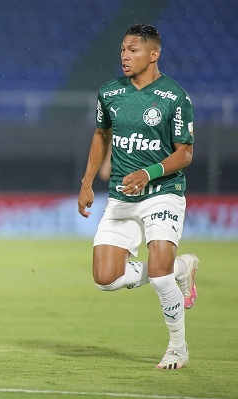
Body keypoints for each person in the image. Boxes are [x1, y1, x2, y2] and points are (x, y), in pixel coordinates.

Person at [77, 24, 199, 369]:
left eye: (133, 50)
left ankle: (178, 348)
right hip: (120, 196)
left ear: (153, 54)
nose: (125, 56)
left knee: (159, 277)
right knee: (106, 279)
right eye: (122, 50)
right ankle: (181, 267)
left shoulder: (175, 97)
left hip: (163, 192)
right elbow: (101, 135)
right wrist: (87, 182)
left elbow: (185, 153)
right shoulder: (110, 93)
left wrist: (149, 172)